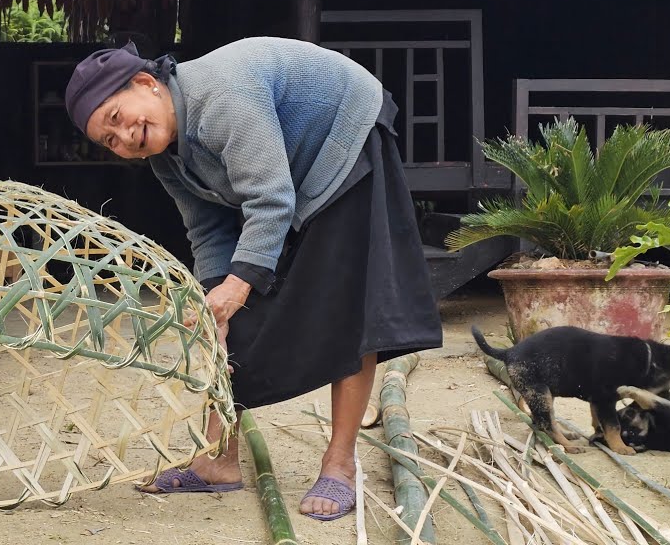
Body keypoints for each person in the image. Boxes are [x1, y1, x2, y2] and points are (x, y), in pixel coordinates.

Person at [64, 37, 442, 521]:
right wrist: (215, 301)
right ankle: (218, 460)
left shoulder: (219, 97)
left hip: (346, 136)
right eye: (109, 140)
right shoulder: (166, 157)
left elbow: (270, 200)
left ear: (146, 83)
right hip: (284, 180)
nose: (124, 138)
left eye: (117, 117)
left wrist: (238, 285)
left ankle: (340, 463)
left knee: (352, 304)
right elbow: (207, 228)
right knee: (220, 311)